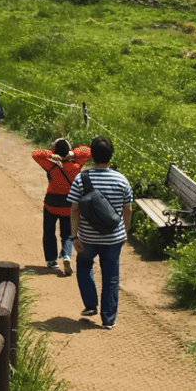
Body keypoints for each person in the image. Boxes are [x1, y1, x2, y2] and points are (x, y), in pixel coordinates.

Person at [68, 137, 133, 330]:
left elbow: (74, 210)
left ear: (91, 156)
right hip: (114, 237)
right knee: (111, 277)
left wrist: (74, 236)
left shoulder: (81, 179)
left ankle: (90, 304)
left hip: (87, 237)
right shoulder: (121, 180)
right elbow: (127, 210)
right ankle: (108, 320)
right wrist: (124, 233)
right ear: (111, 155)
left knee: (84, 265)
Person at [33, 138, 92, 275]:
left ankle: (52, 261)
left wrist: (51, 155)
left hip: (51, 204)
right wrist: (73, 154)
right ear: (69, 150)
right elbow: (87, 151)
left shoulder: (51, 165)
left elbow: (36, 154)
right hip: (69, 205)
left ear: (54, 151)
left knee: (49, 232)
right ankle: (66, 255)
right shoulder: (77, 165)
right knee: (67, 233)